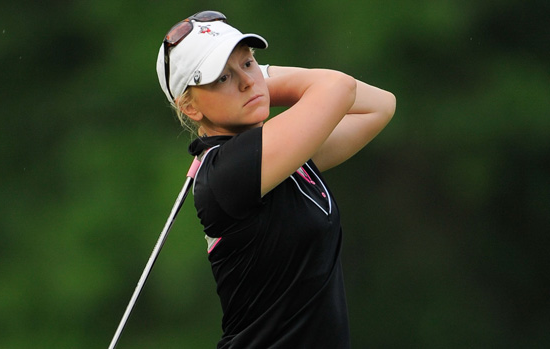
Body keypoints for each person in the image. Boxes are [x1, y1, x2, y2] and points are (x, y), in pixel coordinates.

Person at [155, 10, 395, 348]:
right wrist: (261, 82)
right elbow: (338, 88)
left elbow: (379, 106)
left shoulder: (281, 159)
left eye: (248, 63)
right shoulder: (228, 170)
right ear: (191, 108)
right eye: (222, 78)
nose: (246, 81)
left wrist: (255, 83)